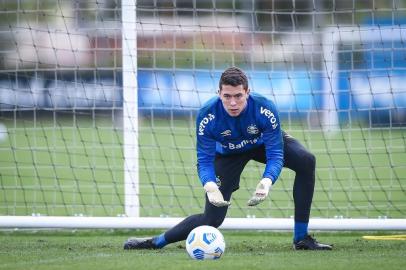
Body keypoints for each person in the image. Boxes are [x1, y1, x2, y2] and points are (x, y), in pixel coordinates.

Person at [124, 67, 332, 251]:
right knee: (212, 219)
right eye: (227, 96)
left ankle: (301, 238)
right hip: (227, 154)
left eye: (238, 96)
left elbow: (275, 154)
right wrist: (210, 186)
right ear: (219, 93)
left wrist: (267, 180)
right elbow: (204, 160)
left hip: (259, 145)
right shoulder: (207, 115)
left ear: (247, 93)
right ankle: (156, 242)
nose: (233, 103)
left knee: (306, 160)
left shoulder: (265, 108)